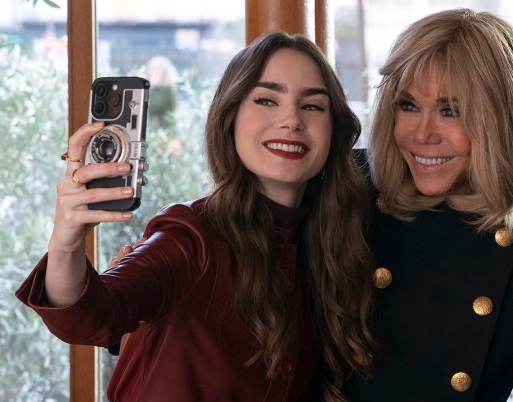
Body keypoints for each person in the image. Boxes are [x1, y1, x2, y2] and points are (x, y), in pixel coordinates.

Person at [16, 31, 378, 402]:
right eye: (267, 100)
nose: (291, 120)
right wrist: (66, 242)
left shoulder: (336, 240)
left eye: (313, 106)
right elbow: (94, 314)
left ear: (333, 131)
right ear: (230, 117)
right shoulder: (189, 236)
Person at [345, 8, 513, 401]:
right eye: (408, 105)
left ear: (505, 121)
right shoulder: (346, 189)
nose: (422, 134)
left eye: (451, 111)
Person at [145, 55, 179, 130]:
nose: (151, 77)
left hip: (166, 131)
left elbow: (153, 107)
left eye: (154, 74)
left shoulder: (168, 90)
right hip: (156, 130)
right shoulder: (156, 90)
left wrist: (153, 88)